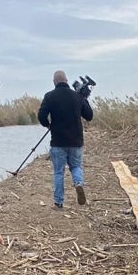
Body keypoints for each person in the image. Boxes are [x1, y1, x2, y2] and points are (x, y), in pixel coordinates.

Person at [37, 70, 93, 208]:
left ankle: (58, 202)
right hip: (76, 141)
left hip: (58, 141)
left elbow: (41, 116)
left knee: (58, 172)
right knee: (76, 167)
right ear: (67, 81)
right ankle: (78, 183)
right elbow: (89, 116)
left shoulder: (49, 96)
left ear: (54, 82)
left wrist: (48, 125)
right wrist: (84, 98)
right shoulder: (77, 96)